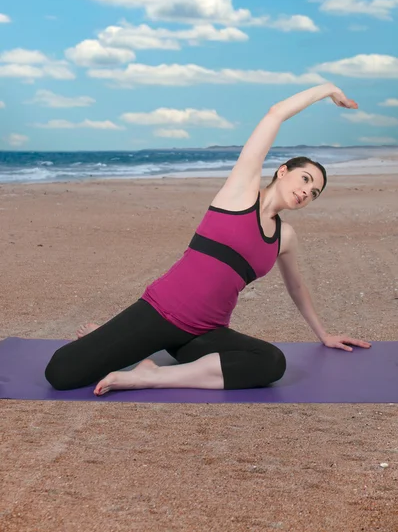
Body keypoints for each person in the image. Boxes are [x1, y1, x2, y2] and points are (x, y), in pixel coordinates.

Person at [45, 82, 371, 396]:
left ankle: (152, 376)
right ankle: (113, 339)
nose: (306, 191)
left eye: (314, 192)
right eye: (305, 179)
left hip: (207, 332)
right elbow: (275, 114)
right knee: (60, 373)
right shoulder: (240, 191)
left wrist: (323, 334)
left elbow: (297, 287)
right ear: (283, 171)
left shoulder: (285, 237)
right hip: (163, 312)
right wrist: (327, 89)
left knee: (271, 362)